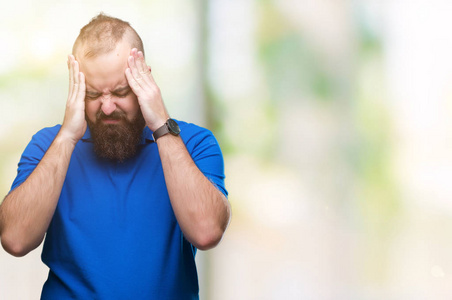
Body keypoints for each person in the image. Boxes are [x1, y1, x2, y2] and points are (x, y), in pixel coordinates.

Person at [0, 13, 231, 299]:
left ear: (144, 79)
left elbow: (207, 232)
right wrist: (68, 137)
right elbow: (15, 240)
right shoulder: (49, 145)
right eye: (94, 94)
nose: (107, 107)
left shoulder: (194, 144)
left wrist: (160, 123)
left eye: (121, 91)